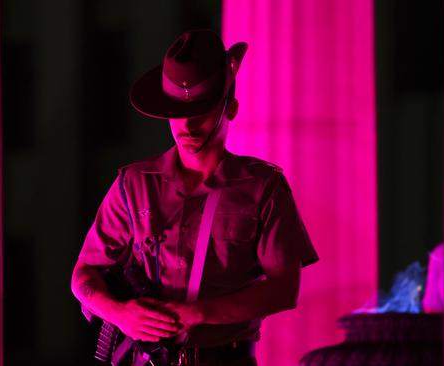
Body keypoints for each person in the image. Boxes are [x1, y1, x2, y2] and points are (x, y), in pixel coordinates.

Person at [71, 29, 319, 366]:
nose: (187, 127)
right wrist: (121, 314)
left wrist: (199, 313)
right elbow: (84, 274)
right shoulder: (134, 184)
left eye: (200, 112)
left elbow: (284, 289)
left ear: (229, 108)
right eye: (177, 113)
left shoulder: (263, 186)